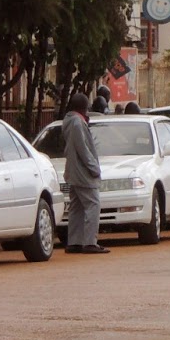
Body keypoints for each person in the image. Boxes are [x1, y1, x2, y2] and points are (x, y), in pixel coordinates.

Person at [61, 92, 108, 254]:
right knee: (93, 205)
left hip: (73, 171)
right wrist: (94, 168)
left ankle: (74, 242)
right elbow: (83, 150)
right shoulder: (76, 123)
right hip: (83, 173)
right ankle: (89, 242)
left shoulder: (69, 121)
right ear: (83, 108)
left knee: (77, 207)